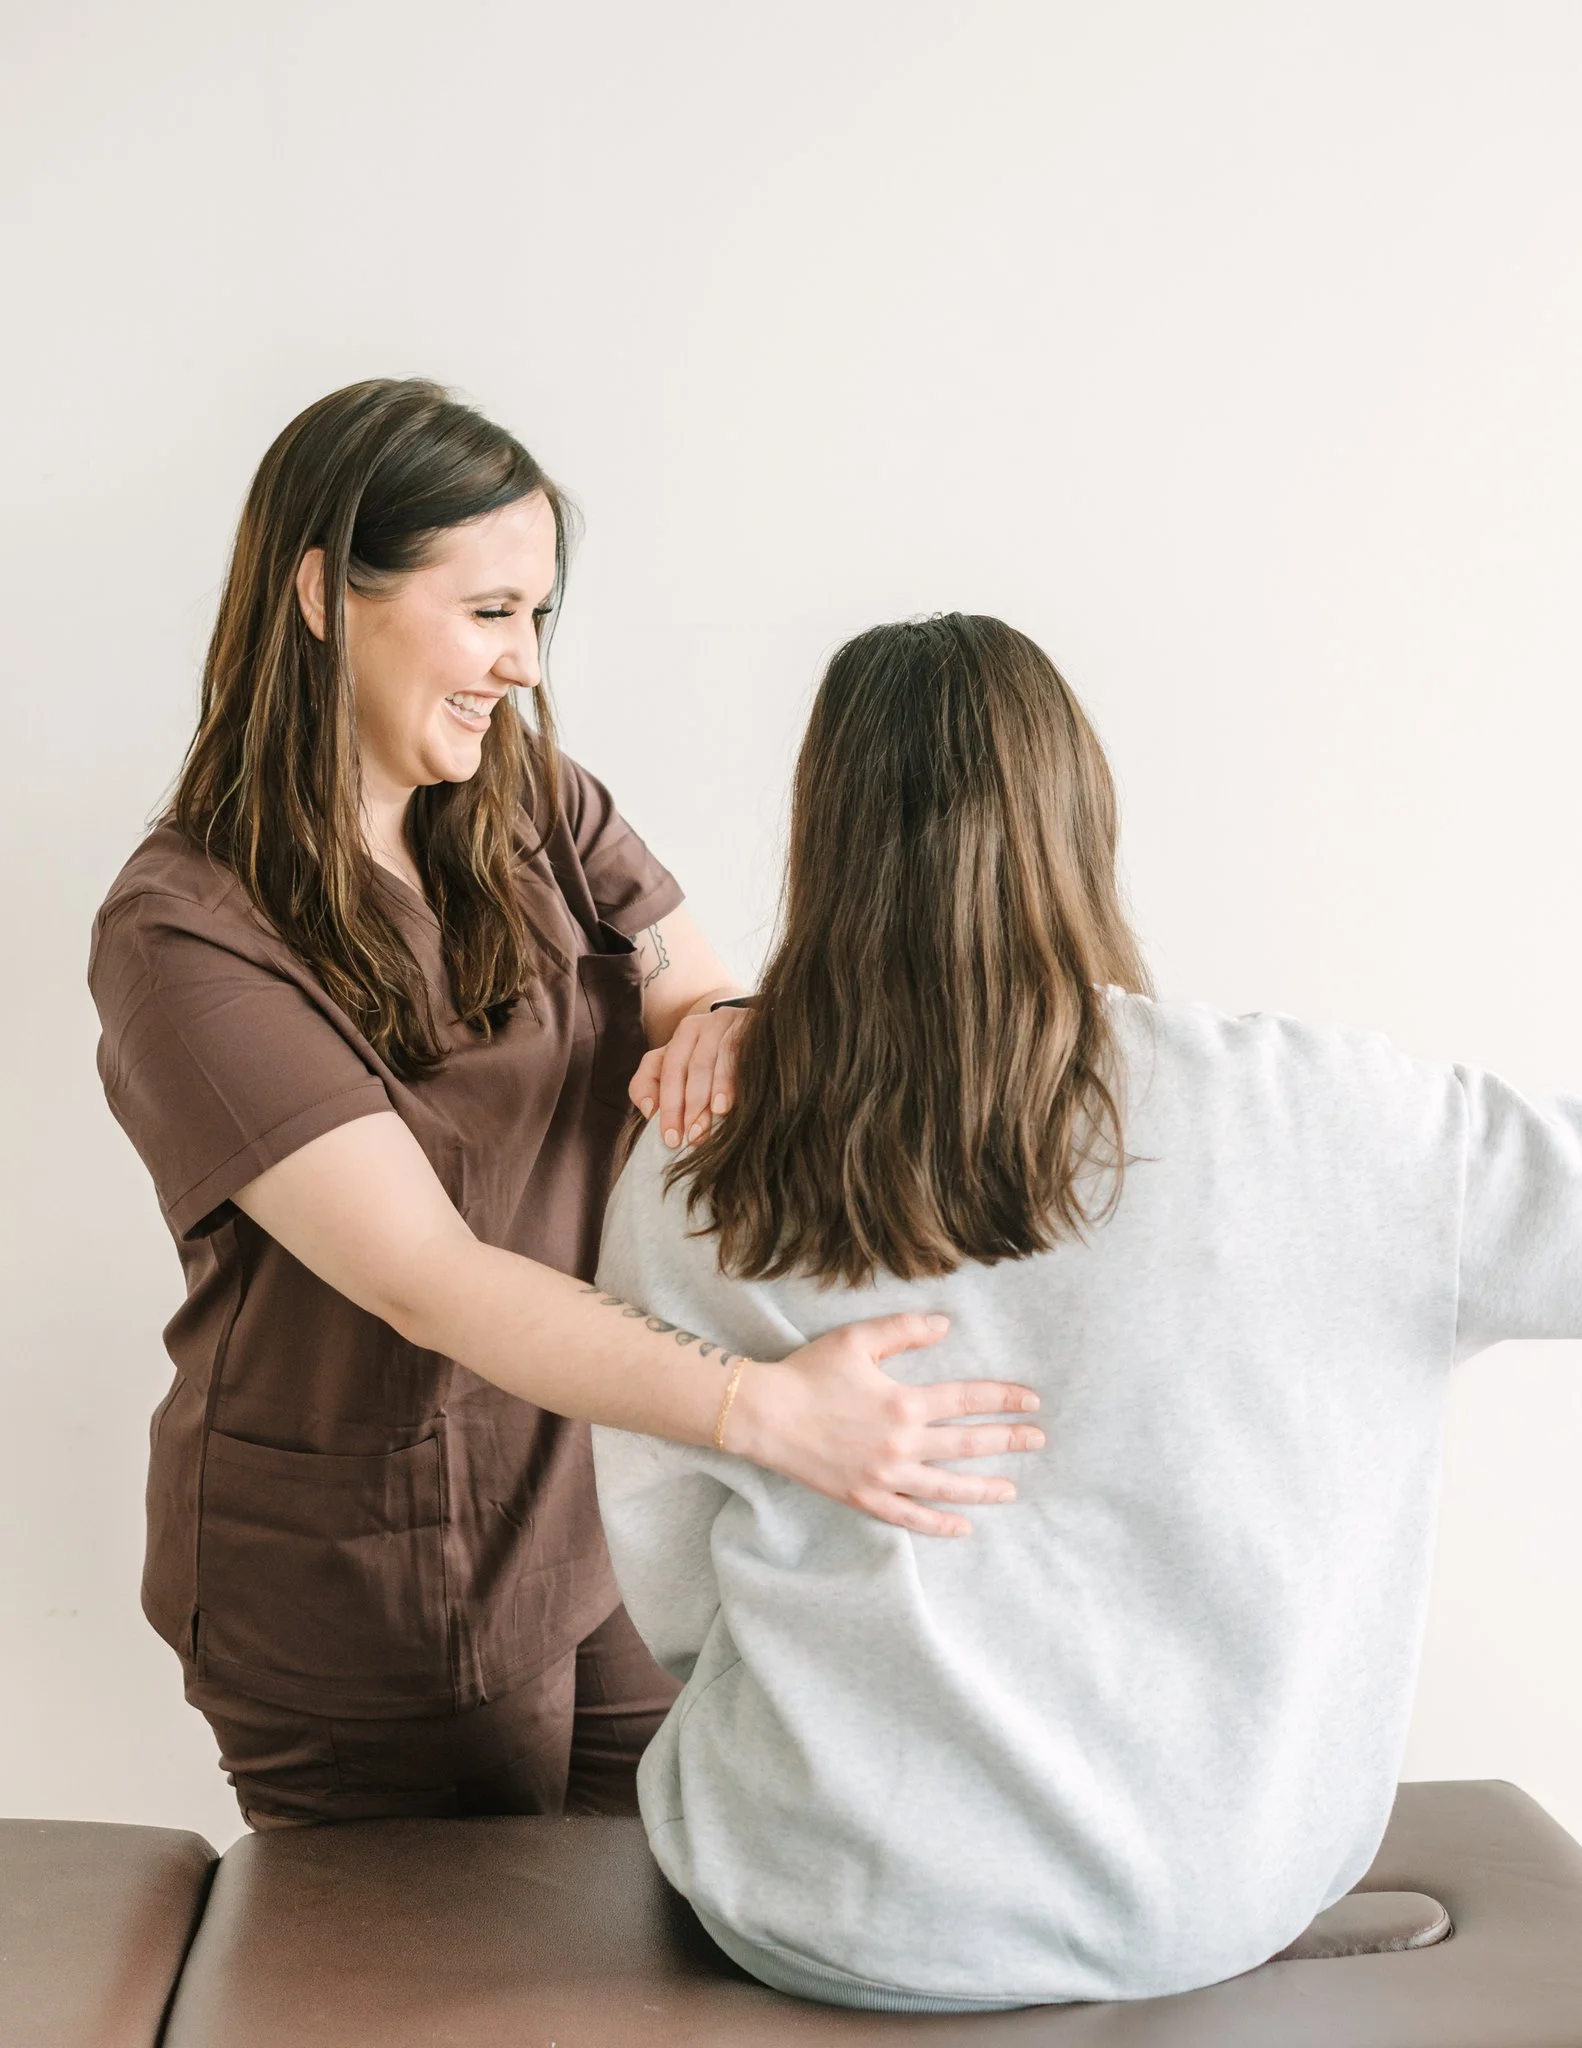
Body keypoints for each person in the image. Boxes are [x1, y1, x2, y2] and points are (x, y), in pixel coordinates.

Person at [591, 611, 1582, 2013]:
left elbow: (669, 1571)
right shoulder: (1333, 1120)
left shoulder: (702, 1148)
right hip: (1210, 1892)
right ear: (1081, 816)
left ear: (823, 836)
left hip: (822, 1894)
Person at [87, 386, 1044, 1829]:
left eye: (536, 616)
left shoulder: (530, 798)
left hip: (585, 1515)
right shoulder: (185, 934)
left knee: (663, 1902)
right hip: (366, 1576)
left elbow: (694, 985)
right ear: (321, 596)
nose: (523, 664)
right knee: (478, 1959)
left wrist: (723, 1025)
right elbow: (424, 1275)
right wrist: (768, 1414)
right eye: (489, 613)